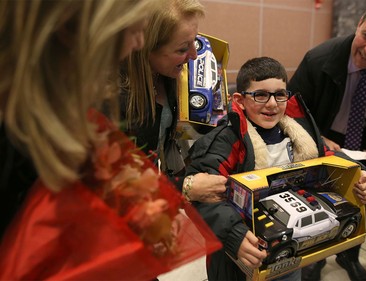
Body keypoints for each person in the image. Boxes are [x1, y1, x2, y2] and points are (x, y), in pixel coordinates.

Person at [0, 1, 222, 280]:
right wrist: (184, 188)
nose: (137, 42)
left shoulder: (161, 82)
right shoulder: (97, 105)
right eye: (132, 31)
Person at [185, 57, 366, 281]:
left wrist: (357, 174)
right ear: (240, 99)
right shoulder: (226, 141)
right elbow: (203, 198)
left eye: (280, 94)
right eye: (261, 95)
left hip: (290, 252)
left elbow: (326, 157)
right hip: (240, 257)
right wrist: (235, 235)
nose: (272, 104)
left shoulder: (300, 133)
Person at [288, 2, 366, 280]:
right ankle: (316, 255)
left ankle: (349, 255)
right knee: (323, 198)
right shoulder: (318, 59)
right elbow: (290, 111)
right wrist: (319, 137)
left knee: (360, 194)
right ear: (358, 23)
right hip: (320, 135)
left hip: (365, 140)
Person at [119, 0, 227, 203]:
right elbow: (118, 186)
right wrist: (184, 188)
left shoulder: (169, 74)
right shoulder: (112, 100)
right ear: (144, 47)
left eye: (195, 42)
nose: (194, 56)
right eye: (182, 49)